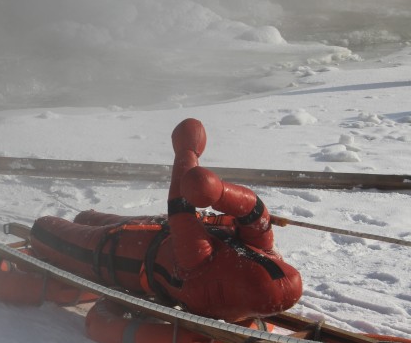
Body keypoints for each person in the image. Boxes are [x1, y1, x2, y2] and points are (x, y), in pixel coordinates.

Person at [28, 118, 303, 322]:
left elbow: (181, 206)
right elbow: (255, 213)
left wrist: (187, 152)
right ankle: (86, 217)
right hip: (157, 231)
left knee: (45, 229)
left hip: (126, 250)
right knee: (89, 217)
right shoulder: (260, 251)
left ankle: (49, 232)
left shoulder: (198, 268)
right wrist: (221, 195)